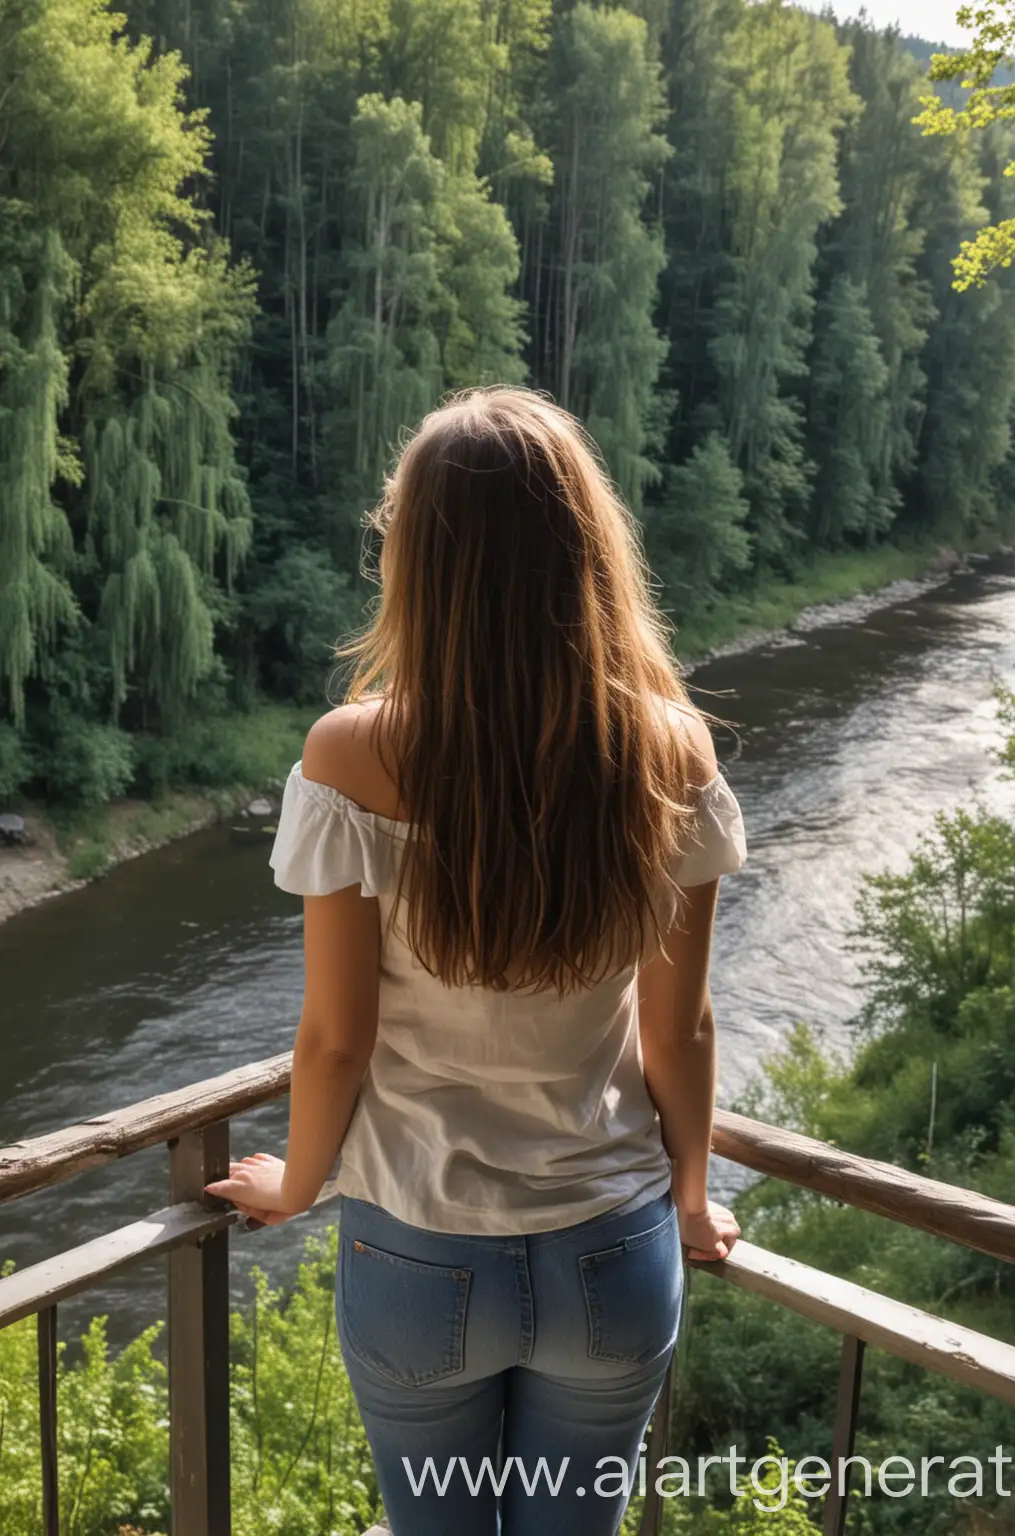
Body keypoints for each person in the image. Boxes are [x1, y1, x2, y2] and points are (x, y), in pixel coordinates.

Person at [207, 386, 746, 1536]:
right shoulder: (667, 747)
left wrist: (295, 1189)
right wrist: (694, 1202)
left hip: (419, 1252)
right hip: (614, 1240)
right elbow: (680, 1029)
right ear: (585, 551)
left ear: (417, 561)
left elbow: (335, 1041)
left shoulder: (353, 755)